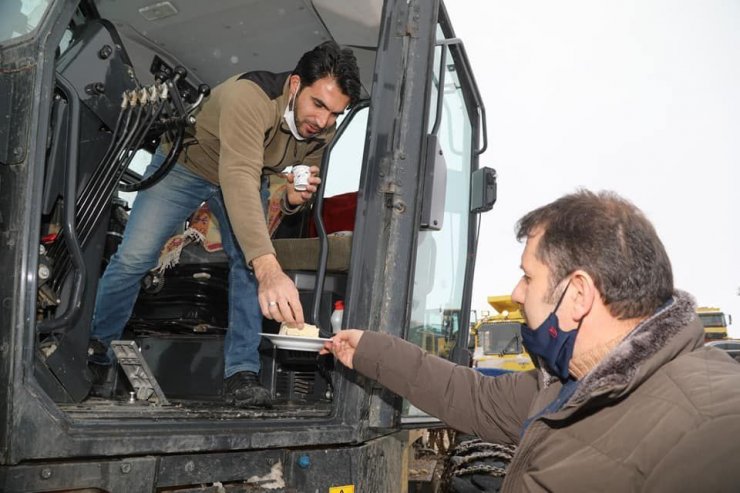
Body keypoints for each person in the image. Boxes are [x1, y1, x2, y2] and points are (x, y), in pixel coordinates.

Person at [322, 190, 740, 491]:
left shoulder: (712, 432)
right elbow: (470, 396)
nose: (518, 293)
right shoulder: (570, 384)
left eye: (528, 276)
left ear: (577, 295)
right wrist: (368, 349)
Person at [89, 41, 362, 407]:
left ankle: (241, 374)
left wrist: (289, 199)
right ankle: (98, 356)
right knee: (134, 258)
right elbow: (238, 175)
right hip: (187, 163)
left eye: (335, 114)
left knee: (245, 267)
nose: (324, 122)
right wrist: (268, 267)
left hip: (250, 174)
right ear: (295, 85)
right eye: (319, 105)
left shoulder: (322, 131)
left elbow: (279, 181)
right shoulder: (247, 98)